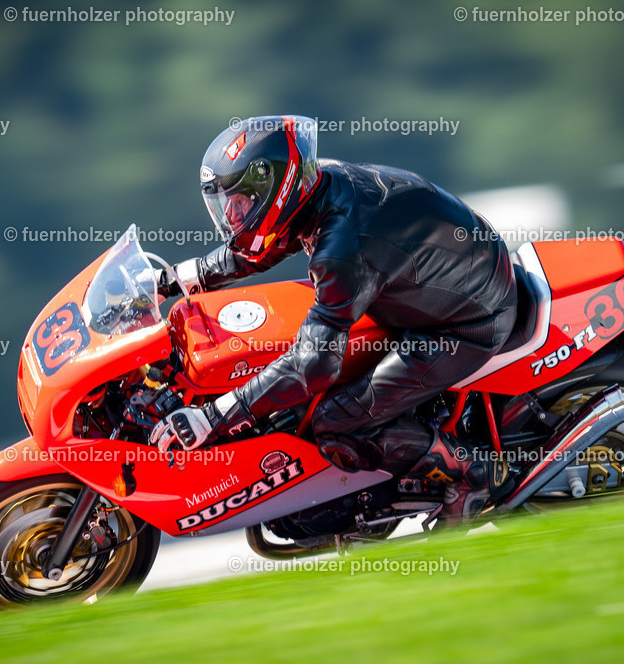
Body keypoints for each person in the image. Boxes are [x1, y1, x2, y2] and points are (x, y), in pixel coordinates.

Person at [149, 115, 516, 522]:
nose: (233, 216)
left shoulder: (341, 249)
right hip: (444, 277)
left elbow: (313, 366)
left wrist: (217, 415)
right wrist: (171, 280)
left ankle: (471, 475)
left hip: (467, 321)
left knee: (336, 421)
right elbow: (263, 245)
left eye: (241, 202)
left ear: (277, 190)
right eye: (226, 204)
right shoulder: (319, 185)